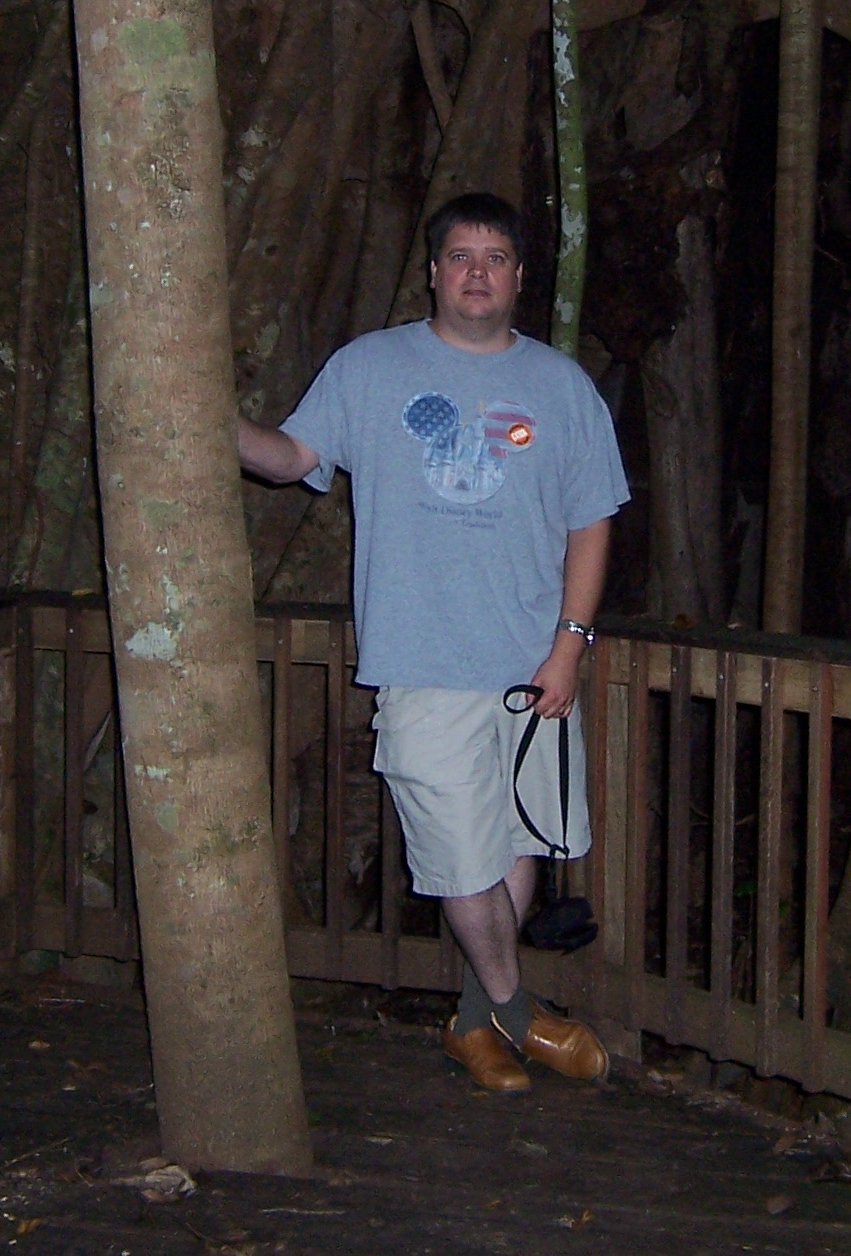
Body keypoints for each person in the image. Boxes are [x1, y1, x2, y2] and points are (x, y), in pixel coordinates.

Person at [236, 192, 629, 1093]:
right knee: (458, 856)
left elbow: (592, 520)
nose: (478, 272)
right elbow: (293, 458)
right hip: (420, 663)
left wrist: (569, 645)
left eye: (496, 257)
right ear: (433, 271)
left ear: (519, 276)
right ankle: (521, 1012)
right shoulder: (371, 367)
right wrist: (210, 423)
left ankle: (472, 1022)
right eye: (461, 256)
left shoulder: (561, 385)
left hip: (533, 665)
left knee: (515, 844)